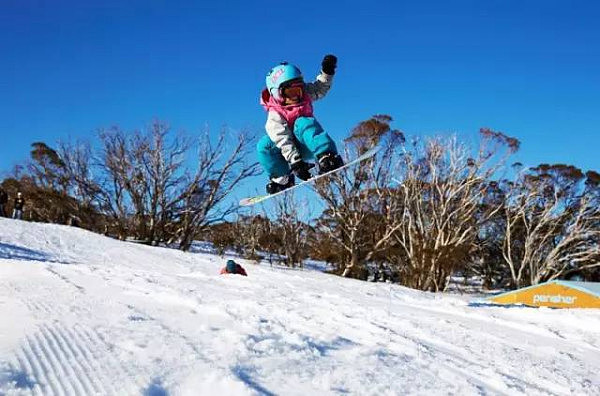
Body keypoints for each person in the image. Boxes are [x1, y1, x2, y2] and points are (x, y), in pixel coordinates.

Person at [257, 54, 344, 194]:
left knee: (302, 122)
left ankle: (327, 155)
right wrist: (296, 162)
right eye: (291, 92)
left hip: (309, 144)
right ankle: (282, 178)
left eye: (299, 90)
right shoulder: (274, 115)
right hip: (289, 153)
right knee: (264, 145)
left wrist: (327, 72)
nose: (296, 96)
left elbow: (320, 88)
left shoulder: (304, 95)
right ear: (276, 93)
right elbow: (282, 139)